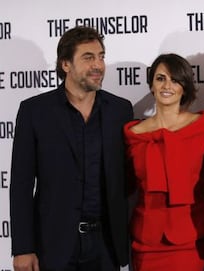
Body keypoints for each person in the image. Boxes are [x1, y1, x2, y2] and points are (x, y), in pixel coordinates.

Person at [10, 26, 133, 271]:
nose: (98, 65)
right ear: (66, 64)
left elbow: (128, 176)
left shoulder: (120, 110)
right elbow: (21, 184)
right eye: (88, 58)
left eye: (101, 56)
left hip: (106, 244)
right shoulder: (34, 112)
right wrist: (23, 248)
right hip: (53, 245)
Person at [123, 53, 204, 271]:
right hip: (145, 242)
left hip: (189, 240)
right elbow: (124, 184)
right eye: (160, 78)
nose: (167, 85)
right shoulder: (133, 133)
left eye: (175, 79)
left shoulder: (202, 125)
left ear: (184, 87)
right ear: (151, 85)